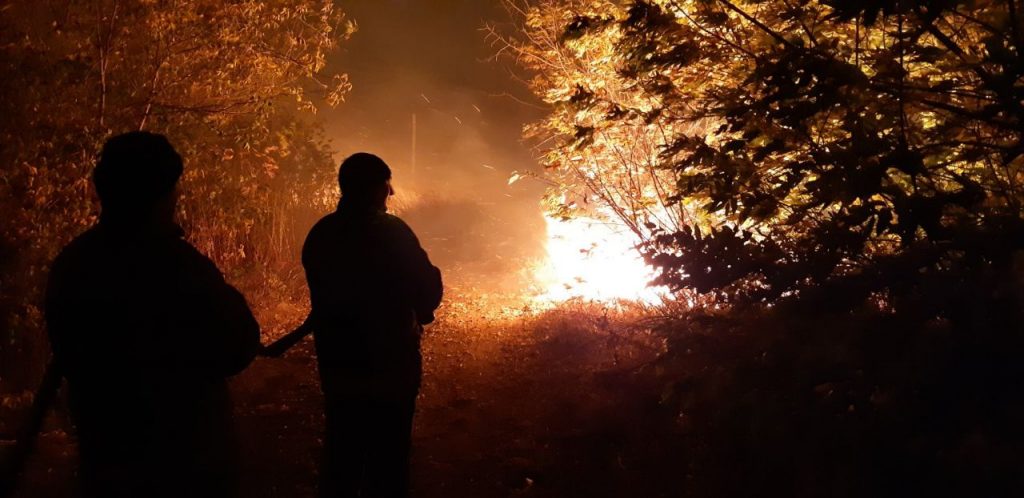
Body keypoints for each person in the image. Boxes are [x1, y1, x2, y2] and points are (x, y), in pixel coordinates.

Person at [45, 132, 261, 498]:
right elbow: (238, 344)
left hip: (107, 450)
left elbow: (70, 349)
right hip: (184, 456)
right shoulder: (178, 267)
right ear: (164, 193)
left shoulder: (76, 262)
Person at [302, 152, 442, 498]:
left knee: (342, 450)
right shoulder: (393, 232)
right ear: (376, 189)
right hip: (391, 363)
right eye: (386, 184)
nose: (391, 193)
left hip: (338, 362)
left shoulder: (322, 233)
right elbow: (427, 287)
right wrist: (421, 311)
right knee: (389, 456)